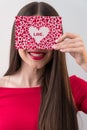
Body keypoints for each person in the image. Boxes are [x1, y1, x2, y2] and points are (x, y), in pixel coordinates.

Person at [0, 2, 87, 130]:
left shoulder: (72, 88)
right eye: (30, 36)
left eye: (45, 37)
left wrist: (85, 63)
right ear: (17, 38)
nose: (37, 45)